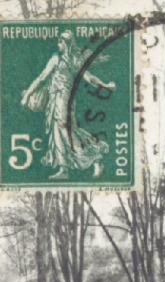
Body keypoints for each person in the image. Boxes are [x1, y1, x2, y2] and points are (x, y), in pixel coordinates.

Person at [20, 31, 114, 180]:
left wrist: (105, 85)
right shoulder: (55, 59)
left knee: (65, 128)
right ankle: (63, 169)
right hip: (54, 99)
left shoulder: (74, 61)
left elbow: (89, 78)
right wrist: (27, 95)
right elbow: (41, 78)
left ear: (67, 44)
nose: (58, 44)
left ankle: (95, 159)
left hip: (66, 99)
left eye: (60, 41)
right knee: (56, 130)